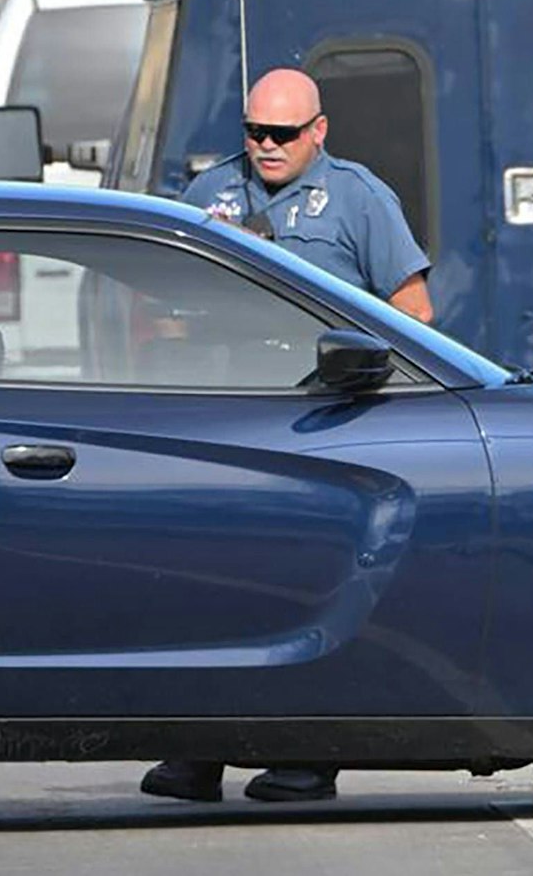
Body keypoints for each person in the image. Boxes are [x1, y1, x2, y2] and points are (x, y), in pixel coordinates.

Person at [139, 69, 432, 807]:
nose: (265, 147)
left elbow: (414, 313)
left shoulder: (360, 198)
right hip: (223, 422)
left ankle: (304, 755)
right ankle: (196, 751)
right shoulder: (211, 195)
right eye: (255, 132)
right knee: (207, 589)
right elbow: (159, 308)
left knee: (296, 588)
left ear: (319, 131)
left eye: (283, 134)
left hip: (319, 424)